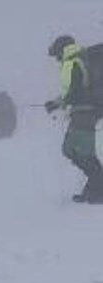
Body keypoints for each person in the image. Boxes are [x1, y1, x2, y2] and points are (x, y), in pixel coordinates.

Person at [45, 35, 103, 203]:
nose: (56, 59)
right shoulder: (74, 61)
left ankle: (98, 189)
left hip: (87, 112)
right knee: (70, 150)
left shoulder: (75, 62)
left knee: (84, 154)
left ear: (61, 49)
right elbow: (73, 91)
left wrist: (59, 103)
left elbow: (76, 92)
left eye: (56, 54)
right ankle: (95, 186)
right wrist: (56, 103)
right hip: (80, 112)